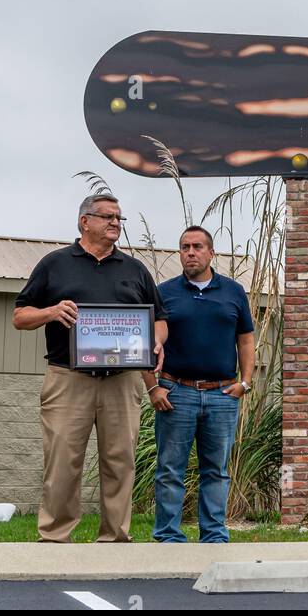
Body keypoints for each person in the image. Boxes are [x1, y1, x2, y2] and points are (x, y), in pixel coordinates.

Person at [14, 193, 166, 543]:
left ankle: (114, 539)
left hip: (123, 380)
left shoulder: (135, 269)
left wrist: (156, 341)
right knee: (63, 460)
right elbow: (20, 316)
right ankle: (55, 537)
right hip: (68, 378)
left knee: (121, 461)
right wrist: (51, 312)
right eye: (108, 217)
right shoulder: (55, 264)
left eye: (119, 218)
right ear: (85, 221)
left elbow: (160, 319)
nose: (115, 223)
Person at [147, 225, 256, 543]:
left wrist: (245, 383)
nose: (190, 252)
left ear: (211, 252)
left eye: (197, 246)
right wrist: (154, 387)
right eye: (184, 247)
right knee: (170, 470)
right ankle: (168, 535)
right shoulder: (164, 292)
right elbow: (150, 340)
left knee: (216, 470)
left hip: (222, 394)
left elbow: (246, 340)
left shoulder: (234, 291)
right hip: (176, 392)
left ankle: (214, 535)